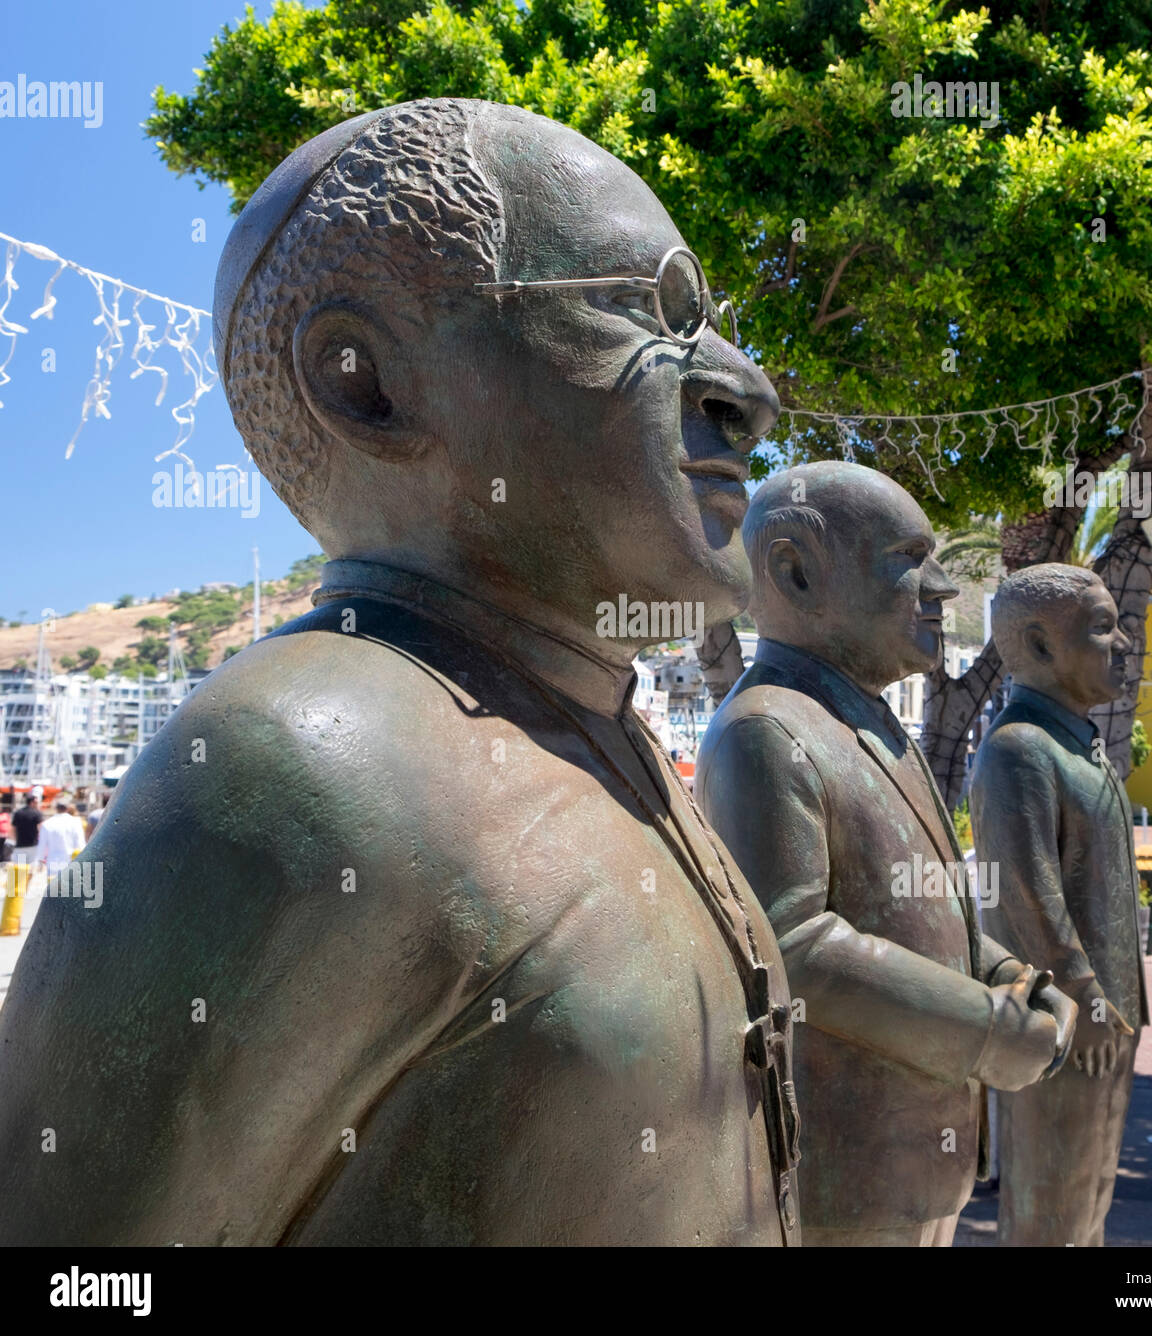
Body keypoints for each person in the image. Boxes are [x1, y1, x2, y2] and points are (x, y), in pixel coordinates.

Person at [0, 100, 802, 1247]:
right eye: (649, 315)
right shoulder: (308, 762)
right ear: (364, 380)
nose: (742, 385)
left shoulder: (604, 733)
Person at [696, 462, 1075, 1247]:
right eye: (908, 559)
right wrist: (992, 1030)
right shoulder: (767, 730)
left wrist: (1000, 971)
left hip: (906, 1161)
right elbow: (792, 946)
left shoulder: (865, 723)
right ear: (795, 572)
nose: (940, 586)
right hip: (841, 1176)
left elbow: (914, 900)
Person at [971, 563, 1150, 1247]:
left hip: (1109, 1016)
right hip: (1070, 1022)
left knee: (1091, 1195)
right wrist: (1086, 998)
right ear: (1041, 647)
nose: (1124, 644)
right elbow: (1028, 900)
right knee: (1053, 1209)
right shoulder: (1020, 750)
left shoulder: (1082, 748)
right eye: (1101, 628)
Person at [36, 799, 86, 875]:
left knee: (53, 885)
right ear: (67, 808)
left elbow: (42, 845)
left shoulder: (47, 823)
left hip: (53, 861)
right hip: (70, 860)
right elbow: (80, 843)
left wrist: (40, 861)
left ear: (56, 809)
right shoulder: (76, 822)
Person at [9, 794, 42, 869]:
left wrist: (15, 840)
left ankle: (22, 881)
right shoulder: (37, 813)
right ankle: (28, 881)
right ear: (32, 802)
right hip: (33, 846)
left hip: (20, 846)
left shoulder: (18, 813)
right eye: (36, 803)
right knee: (32, 869)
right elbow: (41, 828)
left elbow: (12, 829)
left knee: (20, 870)